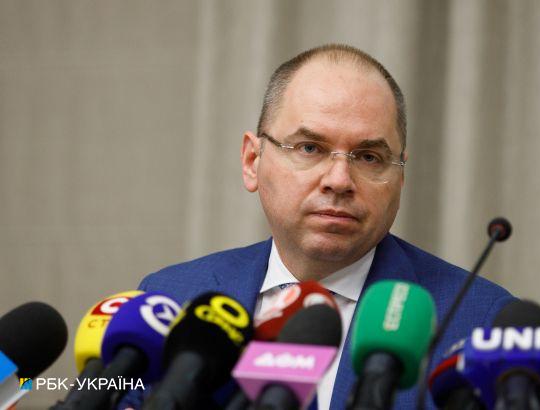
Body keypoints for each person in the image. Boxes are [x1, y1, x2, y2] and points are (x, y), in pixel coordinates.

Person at [125, 44, 514, 409]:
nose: (339, 180)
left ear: (400, 177)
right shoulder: (167, 299)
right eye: (309, 148)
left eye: (369, 157)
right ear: (252, 161)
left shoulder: (481, 324)